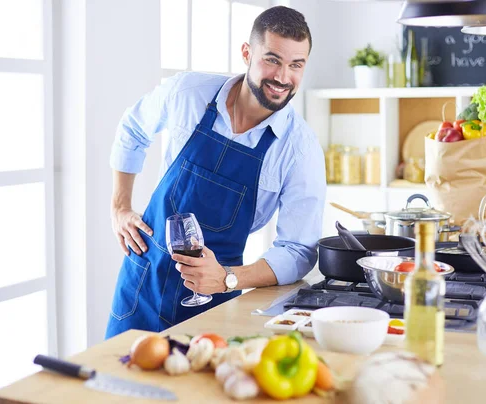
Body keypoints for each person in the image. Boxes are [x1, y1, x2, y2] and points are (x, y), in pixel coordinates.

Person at [105, 5, 326, 339]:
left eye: (296, 65)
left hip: (214, 300)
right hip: (141, 286)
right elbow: (133, 128)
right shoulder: (187, 93)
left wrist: (228, 278)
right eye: (272, 60)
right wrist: (120, 206)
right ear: (246, 53)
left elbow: (298, 249)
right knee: (115, 385)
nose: (283, 78)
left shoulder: (300, 149)